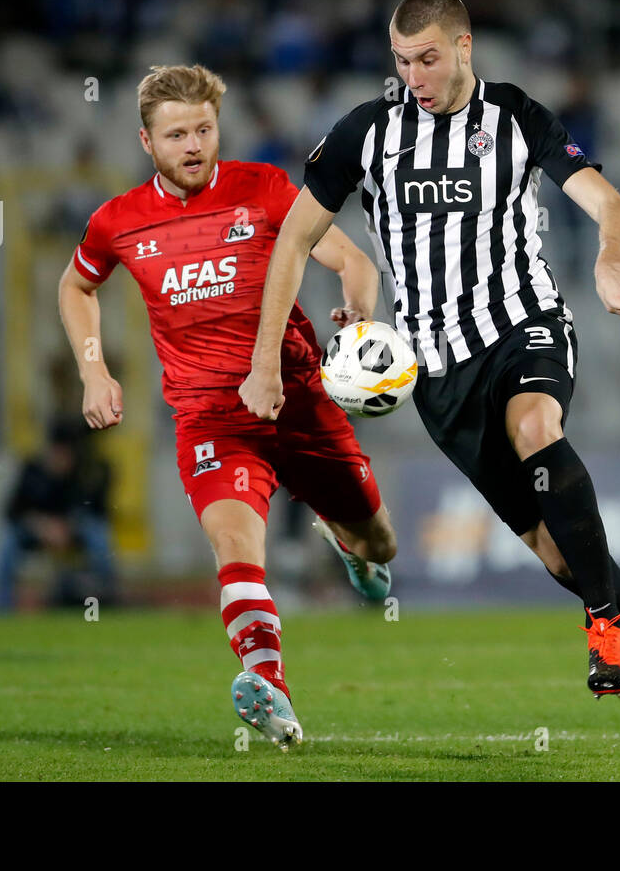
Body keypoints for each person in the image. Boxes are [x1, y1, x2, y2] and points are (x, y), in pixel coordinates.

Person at [240, 0, 620, 702]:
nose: (415, 78)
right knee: (559, 554)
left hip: (524, 325)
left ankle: (603, 626)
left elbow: (611, 206)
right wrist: (265, 360)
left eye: (428, 59)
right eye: (403, 62)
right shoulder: (365, 134)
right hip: (438, 375)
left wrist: (610, 263)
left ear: (465, 47)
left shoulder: (518, 118)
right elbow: (294, 243)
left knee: (536, 426)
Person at [58, 64, 397, 749]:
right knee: (237, 548)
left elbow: (355, 262)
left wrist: (358, 327)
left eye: (203, 130)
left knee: (379, 544)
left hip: (299, 404)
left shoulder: (265, 190)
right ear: (147, 142)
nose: (192, 145)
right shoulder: (118, 221)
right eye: (176, 133)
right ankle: (268, 684)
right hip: (210, 419)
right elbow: (75, 286)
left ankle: (346, 541)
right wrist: (93, 372)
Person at [0, 418, 116, 612]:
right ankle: (2, 609)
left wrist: (69, 525)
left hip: (73, 530)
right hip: (36, 531)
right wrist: (42, 525)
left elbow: (97, 509)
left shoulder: (85, 472)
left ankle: (110, 600)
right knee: (6, 543)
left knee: (99, 536)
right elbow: (12, 511)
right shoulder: (32, 469)